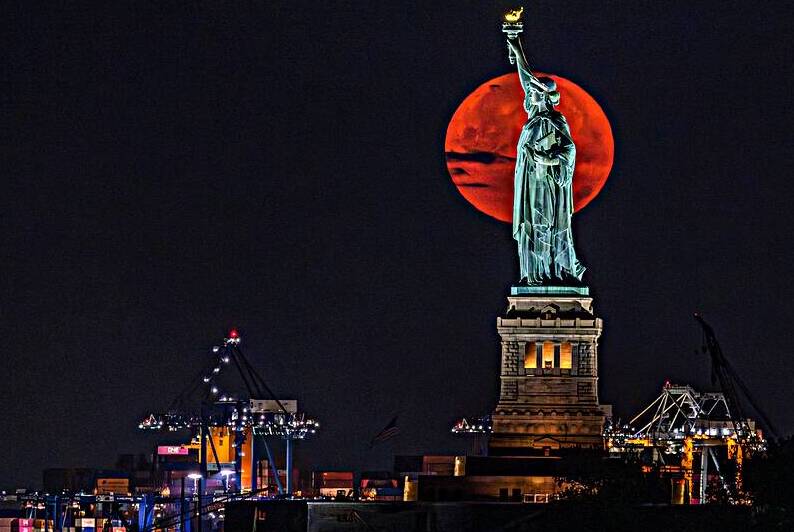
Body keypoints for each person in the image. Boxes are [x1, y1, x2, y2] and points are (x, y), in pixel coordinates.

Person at [507, 36, 585, 285]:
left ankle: (554, 272)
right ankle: (534, 275)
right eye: (531, 92)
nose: (530, 93)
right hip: (530, 182)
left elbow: (569, 150)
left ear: (545, 97)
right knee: (532, 224)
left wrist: (546, 159)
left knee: (547, 224)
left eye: (535, 92)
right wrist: (514, 44)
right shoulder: (533, 119)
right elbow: (525, 79)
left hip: (548, 184)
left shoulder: (555, 121)